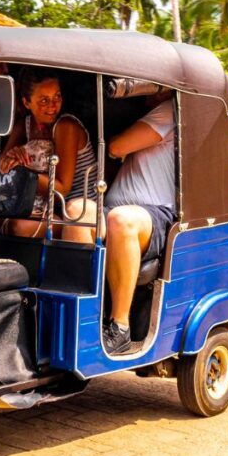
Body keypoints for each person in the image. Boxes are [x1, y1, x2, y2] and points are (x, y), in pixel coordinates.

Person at [62, 92, 176, 355]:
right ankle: (83, 316)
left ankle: (120, 327)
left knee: (120, 220)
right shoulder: (150, 113)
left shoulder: (168, 110)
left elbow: (117, 147)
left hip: (154, 213)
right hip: (114, 207)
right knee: (77, 210)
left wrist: (114, 136)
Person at [0, 70, 96, 237]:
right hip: (43, 208)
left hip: (75, 213)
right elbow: (2, 166)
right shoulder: (24, 126)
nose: (52, 105)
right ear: (27, 102)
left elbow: (61, 191)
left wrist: (23, 169)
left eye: (57, 97)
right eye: (44, 100)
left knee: (19, 227)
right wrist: (12, 156)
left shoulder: (66, 126)